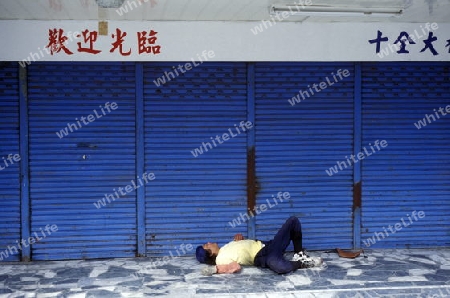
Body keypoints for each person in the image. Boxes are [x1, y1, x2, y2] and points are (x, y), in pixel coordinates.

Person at [196, 216, 323, 275]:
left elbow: (241, 249)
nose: (209, 243)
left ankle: (299, 254)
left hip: (268, 245)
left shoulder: (224, 248)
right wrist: (216, 270)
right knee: (278, 266)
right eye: (206, 246)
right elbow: (234, 266)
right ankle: (302, 263)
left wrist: (240, 239)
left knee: (293, 221)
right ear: (210, 253)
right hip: (262, 256)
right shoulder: (220, 259)